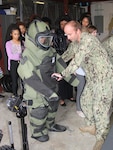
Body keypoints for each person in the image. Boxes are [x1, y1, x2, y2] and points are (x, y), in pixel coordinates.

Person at [52, 20, 113, 150]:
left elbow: (77, 60)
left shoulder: (88, 40)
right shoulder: (75, 42)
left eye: (69, 34)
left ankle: (102, 138)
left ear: (78, 31)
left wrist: (63, 74)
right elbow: (67, 55)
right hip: (93, 78)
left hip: (104, 78)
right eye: (66, 35)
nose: (67, 37)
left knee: (100, 108)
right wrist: (55, 61)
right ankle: (92, 126)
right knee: (85, 100)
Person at [17, 19, 68, 142]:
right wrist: (48, 93)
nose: (46, 42)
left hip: (51, 85)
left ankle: (50, 125)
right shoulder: (27, 55)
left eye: (48, 39)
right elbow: (31, 79)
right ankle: (38, 132)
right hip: (37, 91)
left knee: (52, 108)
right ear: (33, 39)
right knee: (39, 112)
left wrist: (75, 80)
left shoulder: (50, 50)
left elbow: (60, 63)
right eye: (42, 39)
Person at [53, 15, 74, 106]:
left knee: (70, 76)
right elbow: (55, 47)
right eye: (61, 24)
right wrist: (62, 56)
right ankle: (61, 98)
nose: (63, 25)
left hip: (70, 58)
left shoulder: (71, 34)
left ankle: (69, 95)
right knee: (61, 79)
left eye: (65, 24)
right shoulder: (56, 34)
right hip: (60, 58)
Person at [5, 25, 24, 97]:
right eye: (15, 34)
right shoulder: (9, 43)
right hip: (14, 63)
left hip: (22, 63)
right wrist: (20, 56)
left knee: (23, 81)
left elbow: (25, 53)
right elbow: (11, 55)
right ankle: (15, 95)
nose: (17, 36)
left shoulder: (22, 43)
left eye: (18, 34)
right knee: (14, 81)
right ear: (11, 34)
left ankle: (23, 95)